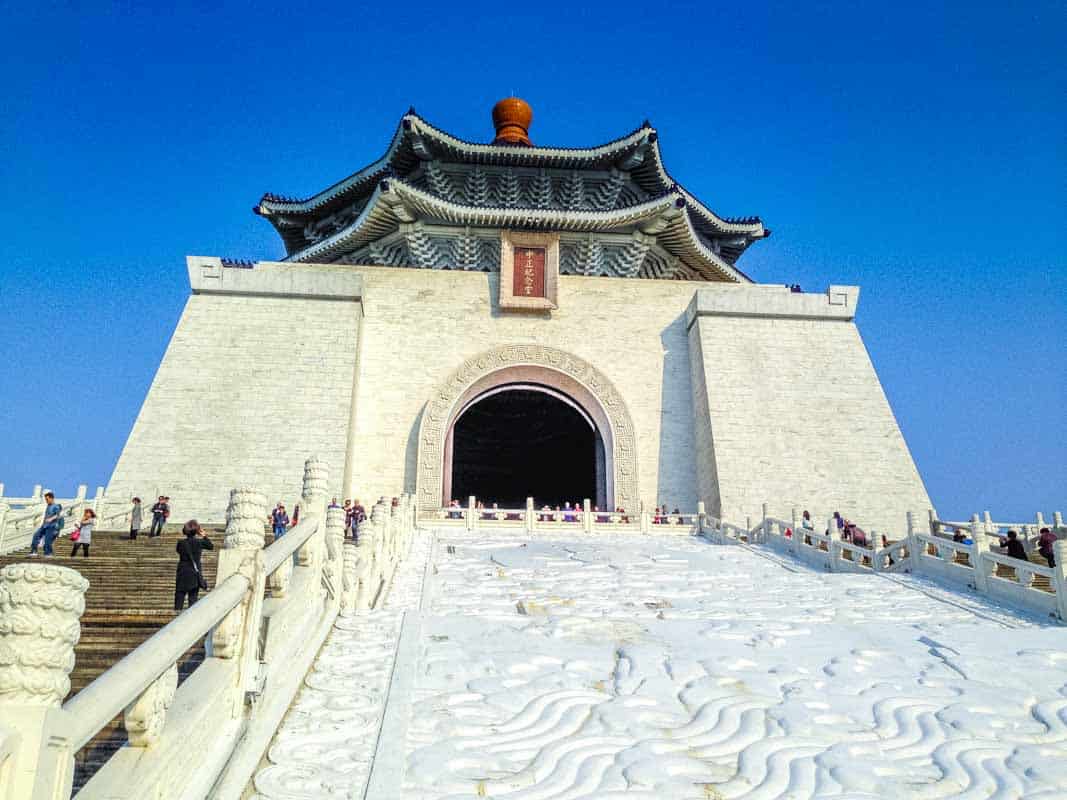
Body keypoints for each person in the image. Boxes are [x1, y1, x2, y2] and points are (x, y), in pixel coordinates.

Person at [174, 520, 213, 611]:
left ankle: (175, 618)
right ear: (196, 531)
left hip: (182, 572)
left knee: (179, 597)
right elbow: (210, 546)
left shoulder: (181, 543)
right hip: (194, 573)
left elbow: (178, 551)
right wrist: (204, 535)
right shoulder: (199, 542)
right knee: (192, 598)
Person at [29, 492, 64, 557]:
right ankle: (34, 551)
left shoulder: (56, 506)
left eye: (47, 499)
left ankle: (48, 553)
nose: (46, 501)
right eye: (45, 499)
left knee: (48, 540)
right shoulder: (48, 506)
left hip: (51, 526)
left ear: (52, 498)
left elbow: (58, 515)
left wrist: (51, 519)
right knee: (36, 536)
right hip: (44, 525)